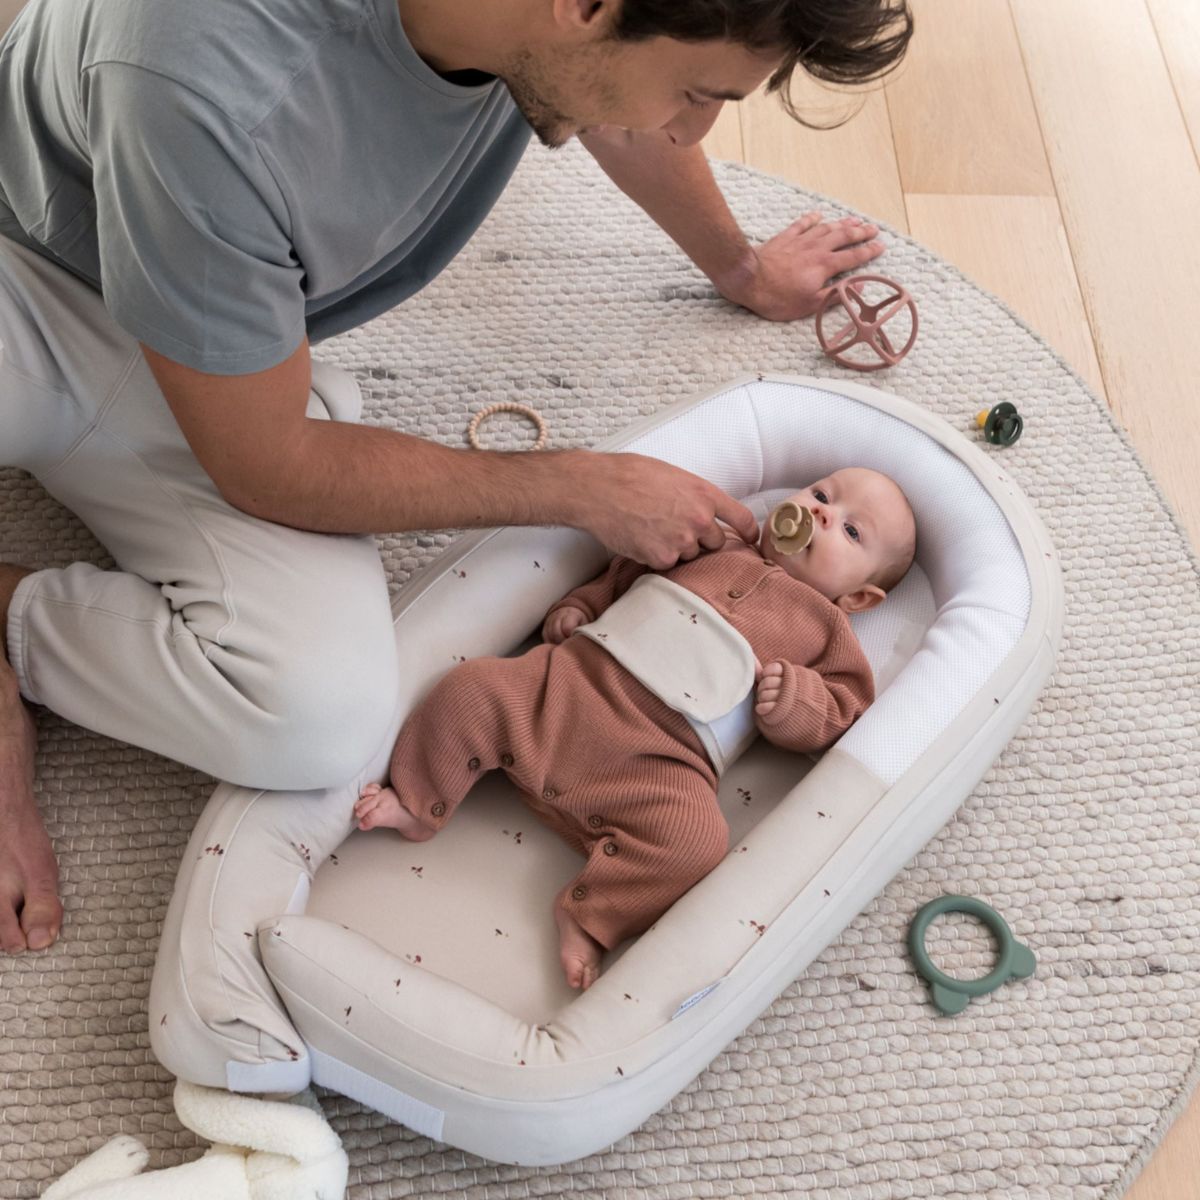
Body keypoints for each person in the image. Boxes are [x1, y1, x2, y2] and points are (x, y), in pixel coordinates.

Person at [0, 0, 912, 956]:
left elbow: (618, 97)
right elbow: (268, 467)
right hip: (33, 278)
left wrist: (741, 267)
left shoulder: (544, 27)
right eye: (697, 94)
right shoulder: (206, 81)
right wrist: (575, 484)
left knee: (312, 716)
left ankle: (17, 611)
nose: (690, 129)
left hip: (207, 331)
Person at [353, 468, 917, 989]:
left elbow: (844, 710)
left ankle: (591, 915)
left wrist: (795, 704)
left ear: (859, 598)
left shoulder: (826, 628)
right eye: (821, 495)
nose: (821, 513)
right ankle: (421, 800)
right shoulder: (712, 544)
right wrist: (579, 606)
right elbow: (624, 572)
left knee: (698, 844)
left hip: (658, 764)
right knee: (471, 688)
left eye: (850, 530)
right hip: (561, 689)